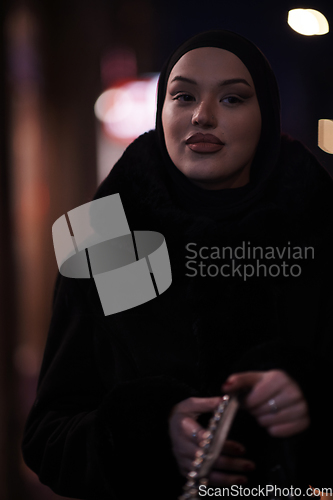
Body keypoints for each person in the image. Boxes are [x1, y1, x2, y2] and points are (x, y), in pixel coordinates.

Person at [22, 30, 333, 499]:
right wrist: (148, 433)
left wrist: (312, 400)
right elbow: (49, 437)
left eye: (232, 99)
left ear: (265, 115)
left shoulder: (319, 228)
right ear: (161, 110)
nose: (202, 116)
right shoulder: (107, 234)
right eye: (183, 95)